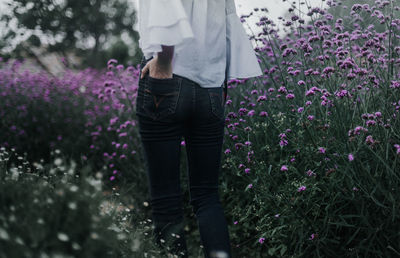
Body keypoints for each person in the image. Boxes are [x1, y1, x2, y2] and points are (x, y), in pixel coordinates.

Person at [136, 0, 262, 257]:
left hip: (168, 76)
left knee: (166, 201)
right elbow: (227, 18)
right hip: (211, 86)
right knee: (207, 197)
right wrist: (221, 80)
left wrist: (163, 59)